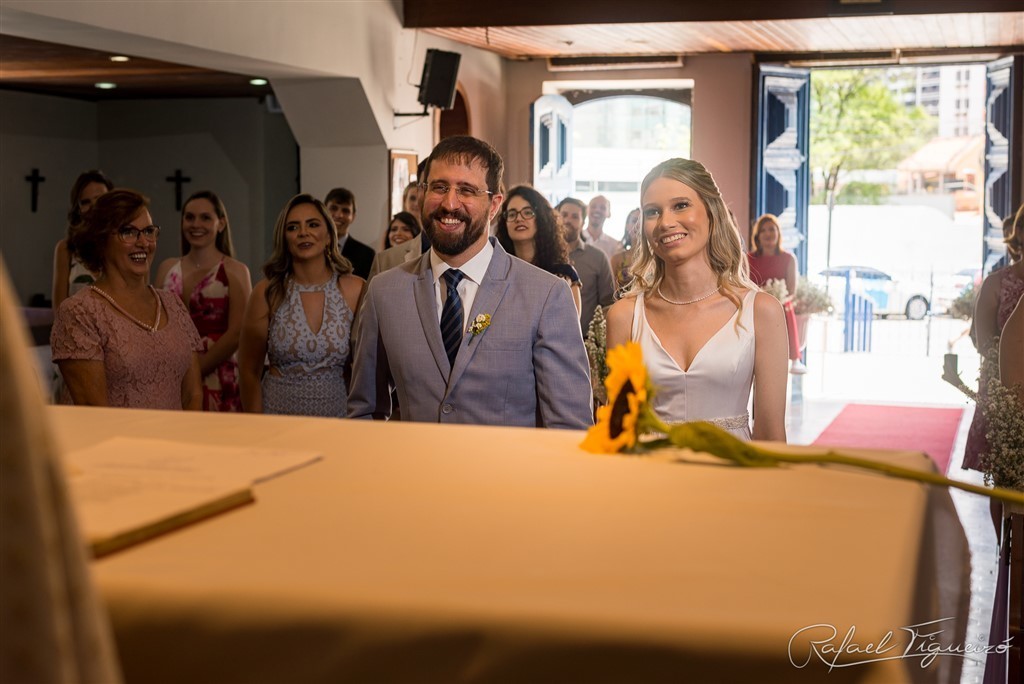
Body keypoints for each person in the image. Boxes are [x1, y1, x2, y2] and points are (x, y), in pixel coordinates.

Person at [348, 135, 593, 428]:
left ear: (493, 205)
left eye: (467, 190)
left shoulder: (546, 295)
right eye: (439, 187)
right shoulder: (385, 291)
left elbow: (569, 427)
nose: (449, 203)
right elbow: (365, 413)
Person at [605, 159, 788, 441]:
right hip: (647, 477)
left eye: (680, 205)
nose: (666, 222)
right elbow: (619, 431)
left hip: (731, 476)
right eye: (653, 212)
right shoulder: (625, 316)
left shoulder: (761, 311)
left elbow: (771, 433)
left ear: (711, 212)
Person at [50, 189, 203, 409]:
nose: (144, 242)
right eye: (129, 232)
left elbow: (193, 395)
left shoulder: (172, 304)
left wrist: (183, 442)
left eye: (149, 231)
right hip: (117, 441)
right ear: (101, 240)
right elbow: (95, 410)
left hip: (176, 441)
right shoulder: (80, 312)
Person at [239, 194, 365, 417]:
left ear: (328, 235)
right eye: (293, 227)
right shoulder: (267, 293)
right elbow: (249, 371)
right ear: (284, 238)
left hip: (337, 420)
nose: (303, 233)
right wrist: (255, 427)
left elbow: (365, 370)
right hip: (277, 419)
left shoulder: (356, 290)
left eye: (313, 224)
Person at [155, 191, 252, 412]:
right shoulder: (166, 268)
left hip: (219, 378)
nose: (195, 224)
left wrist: (195, 371)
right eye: (189, 217)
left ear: (221, 223)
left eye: (205, 217)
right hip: (172, 377)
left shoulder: (236, 271)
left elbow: (238, 333)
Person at [964, 203, 1024, 472]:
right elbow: (982, 341)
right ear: (1020, 233)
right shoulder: (996, 284)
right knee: (1004, 473)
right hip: (1003, 387)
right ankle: (1004, 517)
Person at [496, 185, 583, 317]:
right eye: (512, 214)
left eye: (527, 212)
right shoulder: (496, 272)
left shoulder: (564, 275)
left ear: (541, 219)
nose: (519, 219)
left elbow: (570, 330)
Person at [747, 213, 806, 375]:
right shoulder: (748, 258)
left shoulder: (789, 258)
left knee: (785, 308)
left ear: (778, 233)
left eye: (772, 229)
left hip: (782, 304)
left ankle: (794, 359)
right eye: (763, 230)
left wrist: (776, 300)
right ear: (757, 236)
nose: (768, 234)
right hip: (756, 305)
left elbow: (791, 291)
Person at [51, 170, 114, 309]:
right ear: (78, 209)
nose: (93, 207)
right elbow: (59, 312)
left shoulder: (125, 245)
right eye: (85, 202)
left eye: (100, 199)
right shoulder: (65, 249)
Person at [556, 197, 615, 331]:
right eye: (564, 215)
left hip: (585, 343)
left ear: (583, 223)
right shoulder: (542, 256)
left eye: (575, 217)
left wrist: (596, 338)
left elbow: (608, 303)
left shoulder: (598, 257)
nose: (567, 220)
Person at [324, 187, 375, 279]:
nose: (339, 215)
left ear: (353, 216)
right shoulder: (312, 249)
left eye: (345, 211)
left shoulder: (367, 255)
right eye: (334, 208)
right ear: (324, 211)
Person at [609, 207, 642, 290]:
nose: (638, 225)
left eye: (642, 221)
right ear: (627, 226)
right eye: (634, 221)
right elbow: (613, 292)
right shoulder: (616, 259)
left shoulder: (658, 258)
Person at [583, 194, 620, 259]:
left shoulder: (615, 245)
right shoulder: (575, 239)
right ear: (587, 210)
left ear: (609, 213)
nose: (597, 210)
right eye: (593, 206)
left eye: (603, 208)